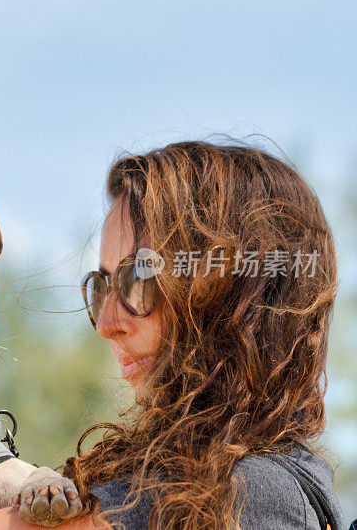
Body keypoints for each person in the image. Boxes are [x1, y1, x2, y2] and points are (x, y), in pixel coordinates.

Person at [47, 141, 344, 528]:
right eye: (101, 285)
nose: (106, 324)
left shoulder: (247, 498)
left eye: (139, 276)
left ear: (239, 296)